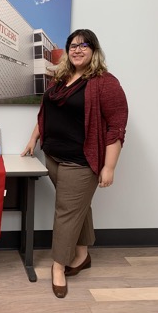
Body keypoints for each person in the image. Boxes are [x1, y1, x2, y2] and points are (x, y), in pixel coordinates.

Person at [21, 29, 128, 298]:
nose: (77, 49)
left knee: (66, 212)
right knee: (77, 207)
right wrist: (33, 139)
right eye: (73, 45)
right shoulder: (61, 79)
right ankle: (82, 255)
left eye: (84, 45)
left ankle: (59, 266)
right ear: (67, 50)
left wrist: (109, 166)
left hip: (81, 161)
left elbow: (116, 127)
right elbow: (45, 113)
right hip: (53, 156)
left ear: (94, 50)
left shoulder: (105, 83)